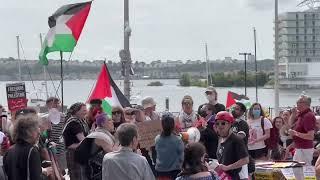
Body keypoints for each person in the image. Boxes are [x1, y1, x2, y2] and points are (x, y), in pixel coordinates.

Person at [4, 114, 53, 180]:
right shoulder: (32, 151)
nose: (39, 133)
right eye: (36, 129)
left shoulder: (9, 150)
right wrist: (46, 173)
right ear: (28, 132)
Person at [76, 113, 116, 180]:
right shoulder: (101, 137)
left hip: (89, 170)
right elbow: (114, 156)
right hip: (94, 173)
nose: (112, 122)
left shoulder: (95, 134)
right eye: (109, 120)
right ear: (103, 124)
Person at [215, 111, 249, 180]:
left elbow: (245, 160)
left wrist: (228, 167)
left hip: (233, 176)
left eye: (223, 123)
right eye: (217, 124)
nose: (220, 126)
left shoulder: (236, 140)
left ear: (230, 124)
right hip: (222, 176)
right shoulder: (220, 138)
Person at [62, 102, 90, 180]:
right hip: (74, 153)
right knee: (79, 177)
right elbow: (83, 140)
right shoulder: (74, 122)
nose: (86, 112)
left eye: (86, 110)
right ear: (76, 111)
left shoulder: (80, 121)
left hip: (77, 153)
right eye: (83, 110)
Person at [287, 95, 316, 165]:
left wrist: (295, 133)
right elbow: (290, 124)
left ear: (305, 103)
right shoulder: (301, 114)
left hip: (305, 149)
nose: (296, 104)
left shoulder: (308, 116)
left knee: (303, 170)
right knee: (297, 170)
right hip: (299, 148)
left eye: (298, 102)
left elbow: (310, 136)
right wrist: (293, 114)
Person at [155, 113, 184, 179]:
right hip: (174, 172)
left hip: (160, 171)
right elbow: (182, 158)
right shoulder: (178, 140)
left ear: (162, 125)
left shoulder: (157, 139)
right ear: (173, 125)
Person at [46, 97, 67, 175]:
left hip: (56, 145)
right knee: (59, 168)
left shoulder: (48, 117)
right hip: (58, 144)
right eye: (54, 103)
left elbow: (48, 132)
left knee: (58, 168)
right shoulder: (63, 116)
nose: (55, 105)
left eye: (56, 103)